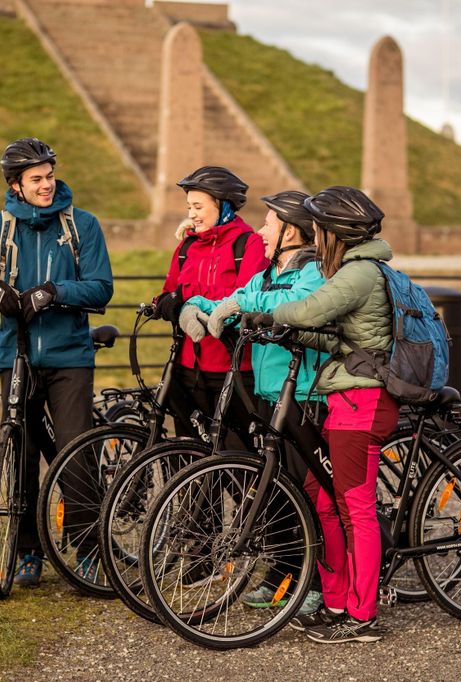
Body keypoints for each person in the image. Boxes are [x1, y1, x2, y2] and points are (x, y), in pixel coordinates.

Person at [0, 137, 113, 586]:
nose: (46, 185)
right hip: (15, 357)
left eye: (50, 176)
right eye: (36, 179)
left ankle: (88, 547)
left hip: (70, 358)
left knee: (75, 453)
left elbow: (101, 287)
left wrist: (56, 292)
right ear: (15, 185)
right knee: (19, 455)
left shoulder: (83, 225)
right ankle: (26, 551)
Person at [180, 191, 328, 617]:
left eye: (269, 224)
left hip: (305, 394)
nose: (260, 231)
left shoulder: (314, 271)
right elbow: (238, 295)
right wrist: (196, 306)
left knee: (312, 493)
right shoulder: (266, 272)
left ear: (293, 231)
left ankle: (316, 581)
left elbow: (294, 307)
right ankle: (283, 573)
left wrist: (240, 303)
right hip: (269, 394)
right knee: (279, 493)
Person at [269, 185, 401, 643]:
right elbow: (339, 339)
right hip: (345, 398)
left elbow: (310, 309)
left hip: (361, 403)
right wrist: (293, 336)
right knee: (323, 498)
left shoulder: (360, 273)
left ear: (335, 232)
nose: (314, 237)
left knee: (355, 508)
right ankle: (336, 600)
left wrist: (267, 315)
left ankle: (362, 617)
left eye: (319, 229)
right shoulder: (355, 270)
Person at [152, 166, 268, 448]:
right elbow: (168, 293)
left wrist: (198, 306)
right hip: (186, 367)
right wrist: (169, 305)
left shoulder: (247, 245)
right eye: (189, 206)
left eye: (198, 206)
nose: (191, 214)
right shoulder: (187, 247)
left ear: (223, 206)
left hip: (233, 369)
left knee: (238, 461)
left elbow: (245, 300)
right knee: (188, 459)